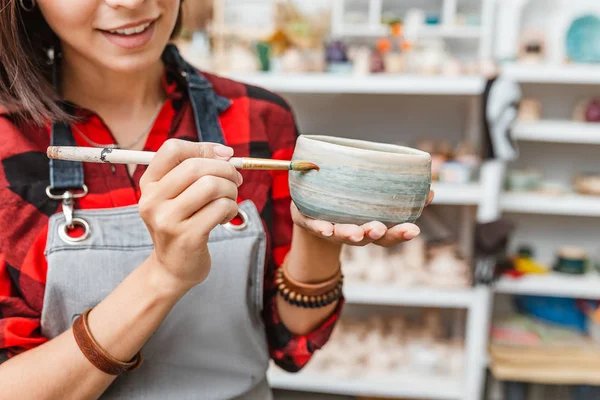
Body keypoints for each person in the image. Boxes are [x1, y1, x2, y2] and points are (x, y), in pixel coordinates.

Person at [0, 0, 433, 399]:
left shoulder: (260, 117)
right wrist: (165, 277)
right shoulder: (8, 142)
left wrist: (317, 235)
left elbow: (290, 346)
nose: (130, 2)